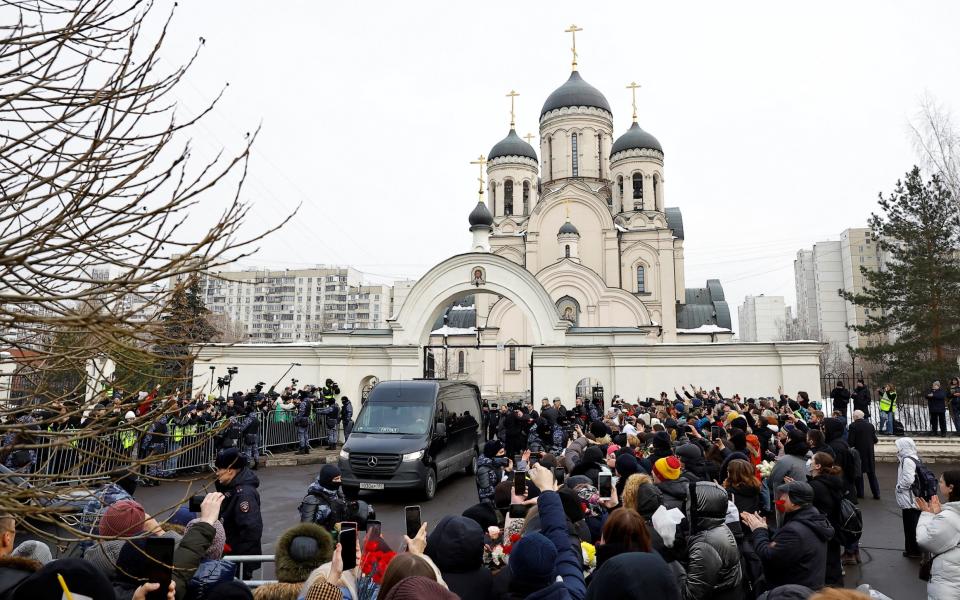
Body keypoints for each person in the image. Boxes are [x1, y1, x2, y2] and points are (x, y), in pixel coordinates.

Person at [742, 481, 835, 591]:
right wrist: (766, 528)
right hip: (809, 585)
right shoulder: (812, 518)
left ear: (795, 503)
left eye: (784, 495)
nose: (781, 498)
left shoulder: (794, 531)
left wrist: (759, 530)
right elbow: (786, 541)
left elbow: (768, 555)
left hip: (793, 591)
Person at [679, 481, 744, 600]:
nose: (686, 505)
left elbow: (691, 595)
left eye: (689, 501)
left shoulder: (705, 544)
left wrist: (672, 563)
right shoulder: (718, 525)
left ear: (698, 508)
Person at [214, 448, 263, 579]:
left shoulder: (244, 494)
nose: (217, 473)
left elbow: (251, 529)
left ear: (230, 470)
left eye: (219, 469)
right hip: (232, 557)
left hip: (237, 561)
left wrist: (237, 557)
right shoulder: (232, 488)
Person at [916, 469, 960, 600]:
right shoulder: (951, 513)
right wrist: (939, 513)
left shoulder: (948, 518)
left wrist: (927, 515)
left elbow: (925, 540)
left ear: (951, 487)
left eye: (941, 482)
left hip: (947, 585)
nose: (938, 484)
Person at [807, 452, 846, 585]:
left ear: (817, 466)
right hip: (834, 528)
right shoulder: (831, 481)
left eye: (812, 460)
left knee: (825, 565)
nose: (809, 462)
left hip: (822, 530)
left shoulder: (816, 486)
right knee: (833, 563)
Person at [299, 464, 348, 534]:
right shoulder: (312, 500)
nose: (340, 481)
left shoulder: (336, 493)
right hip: (321, 539)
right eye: (336, 479)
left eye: (340, 478)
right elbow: (305, 529)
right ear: (327, 480)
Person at [895, 437, 922, 558]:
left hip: (909, 498)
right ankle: (911, 549)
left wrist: (899, 487)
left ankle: (914, 551)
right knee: (912, 524)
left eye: (899, 447)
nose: (897, 450)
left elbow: (908, 479)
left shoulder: (907, 460)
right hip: (911, 497)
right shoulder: (913, 458)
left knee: (911, 525)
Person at [847, 410, 880, 500]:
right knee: (872, 474)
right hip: (869, 453)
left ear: (856, 417)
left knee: (859, 473)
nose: (853, 417)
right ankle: (876, 493)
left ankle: (860, 493)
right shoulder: (870, 425)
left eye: (853, 416)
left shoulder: (853, 426)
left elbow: (851, 442)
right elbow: (875, 440)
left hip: (858, 453)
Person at [476, 440, 510, 505]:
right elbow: (486, 492)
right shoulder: (483, 469)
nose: (504, 454)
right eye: (501, 452)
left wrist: (507, 471)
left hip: (499, 500)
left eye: (504, 451)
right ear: (492, 453)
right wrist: (503, 484)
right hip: (491, 505)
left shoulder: (496, 464)